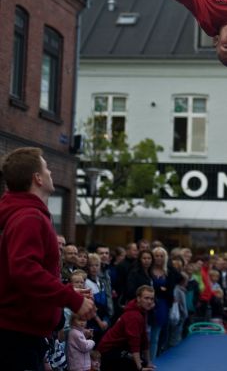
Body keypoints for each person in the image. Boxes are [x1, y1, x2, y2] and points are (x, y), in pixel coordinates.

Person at [0, 147, 95, 371]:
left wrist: (65, 293)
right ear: (38, 178)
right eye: (47, 168)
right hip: (17, 336)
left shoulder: (25, 213)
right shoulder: (29, 217)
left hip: (21, 333)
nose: (51, 172)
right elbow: (25, 270)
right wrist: (71, 299)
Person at [97, 285, 155, 371]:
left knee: (143, 363)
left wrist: (148, 361)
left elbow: (144, 339)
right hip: (109, 351)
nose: (149, 301)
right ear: (138, 298)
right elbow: (134, 342)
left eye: (151, 299)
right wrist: (140, 368)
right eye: (146, 298)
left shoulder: (142, 311)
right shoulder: (134, 316)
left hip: (120, 349)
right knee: (136, 366)